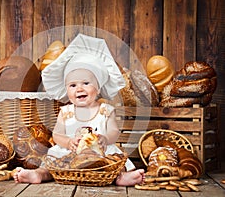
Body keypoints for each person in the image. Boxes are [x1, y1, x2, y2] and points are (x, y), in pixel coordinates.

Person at [13, 34, 145, 186]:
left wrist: (105, 139)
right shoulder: (66, 112)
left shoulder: (105, 110)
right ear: (66, 89)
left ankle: (121, 177)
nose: (79, 89)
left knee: (114, 160)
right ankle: (39, 175)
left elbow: (114, 131)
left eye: (86, 83)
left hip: (99, 153)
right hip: (70, 154)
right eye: (73, 85)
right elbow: (57, 134)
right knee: (53, 162)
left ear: (98, 86)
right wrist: (68, 142)